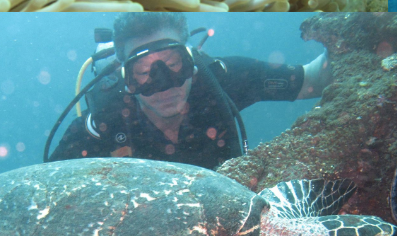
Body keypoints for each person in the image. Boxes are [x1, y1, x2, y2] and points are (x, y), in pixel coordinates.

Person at [48, 14, 331, 170]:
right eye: (145, 73)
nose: (164, 83)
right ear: (125, 76)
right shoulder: (104, 122)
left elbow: (313, 79)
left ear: (192, 59)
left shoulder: (219, 81)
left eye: (173, 64)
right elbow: (47, 190)